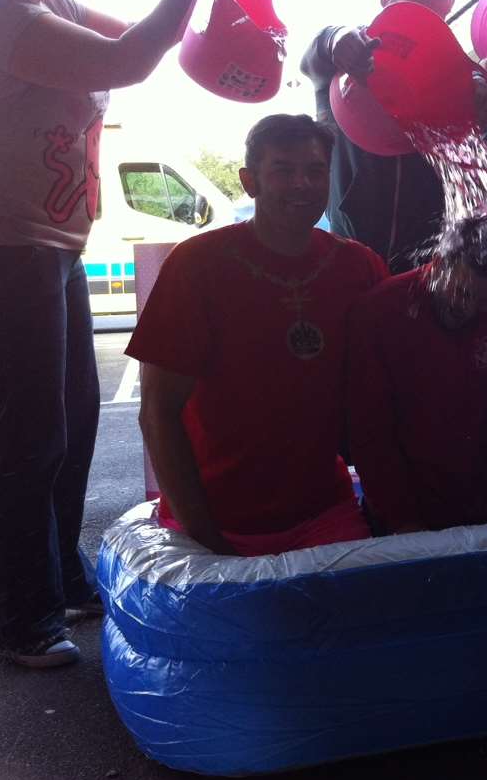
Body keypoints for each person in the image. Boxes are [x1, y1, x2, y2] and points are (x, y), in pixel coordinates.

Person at [0, 0, 235, 668]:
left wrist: (213, 16)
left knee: (69, 424)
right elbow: (127, 60)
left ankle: (59, 579)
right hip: (0, 246)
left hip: (49, 243)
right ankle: (14, 617)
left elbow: (141, 36)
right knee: (28, 435)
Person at [128, 115, 386, 557]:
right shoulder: (197, 266)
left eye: (315, 170)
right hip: (214, 518)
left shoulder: (358, 266)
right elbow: (157, 412)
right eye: (283, 170)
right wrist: (205, 538)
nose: (302, 184)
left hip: (325, 513)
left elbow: (392, 382)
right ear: (250, 182)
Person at [300, 0, 487, 271]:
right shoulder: (346, 59)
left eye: (437, 22)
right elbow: (313, 57)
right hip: (349, 256)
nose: (423, 31)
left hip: (422, 264)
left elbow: (475, 89)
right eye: (415, 13)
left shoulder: (439, 78)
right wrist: (335, 37)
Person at [347, 215, 487, 534]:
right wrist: (401, 518)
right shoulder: (380, 313)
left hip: (485, 500)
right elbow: (369, 432)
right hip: (408, 504)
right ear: (439, 263)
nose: (470, 309)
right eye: (462, 292)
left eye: (483, 300)